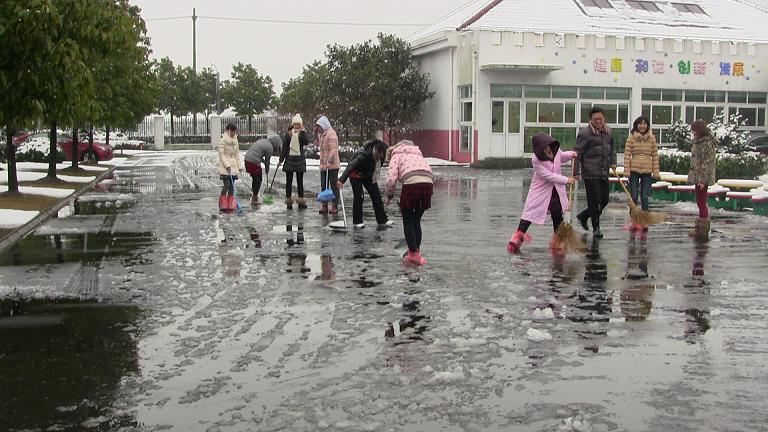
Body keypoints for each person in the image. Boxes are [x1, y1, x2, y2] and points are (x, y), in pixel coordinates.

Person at [507, 133, 578, 254]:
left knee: (557, 213)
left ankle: (558, 240)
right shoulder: (536, 160)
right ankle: (517, 237)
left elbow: (562, 157)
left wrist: (571, 154)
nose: (547, 149)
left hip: (555, 190)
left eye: (548, 146)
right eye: (544, 147)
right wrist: (566, 180)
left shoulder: (555, 150)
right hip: (541, 189)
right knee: (529, 213)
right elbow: (548, 176)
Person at [384, 140, 433, 266]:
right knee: (416, 220)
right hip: (428, 182)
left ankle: (413, 255)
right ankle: (417, 250)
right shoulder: (417, 153)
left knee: (408, 220)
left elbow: (391, 178)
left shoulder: (396, 155)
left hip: (412, 183)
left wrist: (389, 196)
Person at [575, 106, 617, 239]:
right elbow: (577, 153)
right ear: (590, 120)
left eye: (600, 119)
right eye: (595, 119)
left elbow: (612, 149)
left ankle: (584, 216)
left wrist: (613, 162)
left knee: (604, 200)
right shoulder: (584, 133)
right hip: (590, 172)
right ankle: (596, 227)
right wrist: (576, 171)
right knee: (595, 201)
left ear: (604, 118)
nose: (598, 121)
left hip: (604, 171)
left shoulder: (608, 131)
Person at [337, 139, 392, 228]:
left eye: (382, 155)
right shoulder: (363, 155)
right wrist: (341, 180)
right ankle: (357, 221)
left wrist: (373, 179)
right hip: (356, 174)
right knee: (359, 196)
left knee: (376, 195)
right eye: (380, 154)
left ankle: (382, 220)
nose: (381, 157)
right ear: (376, 150)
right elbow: (351, 166)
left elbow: (377, 169)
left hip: (368, 175)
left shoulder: (381, 157)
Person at [623, 115, 660, 230]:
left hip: (647, 171)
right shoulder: (632, 137)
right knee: (633, 196)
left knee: (644, 196)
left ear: (647, 125)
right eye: (640, 124)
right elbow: (627, 154)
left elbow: (655, 155)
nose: (642, 126)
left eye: (644, 124)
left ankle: (644, 219)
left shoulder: (652, 138)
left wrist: (656, 172)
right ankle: (633, 218)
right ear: (636, 125)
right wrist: (626, 170)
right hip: (634, 170)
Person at [687, 120, 717, 240]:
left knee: (701, 202)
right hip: (698, 176)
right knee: (700, 201)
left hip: (701, 177)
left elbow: (706, 163)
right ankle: (700, 228)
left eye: (694, 130)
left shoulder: (706, 144)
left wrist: (702, 180)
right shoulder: (700, 142)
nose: (693, 132)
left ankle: (702, 230)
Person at [280, 114, 309, 210]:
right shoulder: (288, 134)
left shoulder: (302, 134)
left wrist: (303, 131)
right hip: (289, 160)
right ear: (292, 124)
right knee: (289, 182)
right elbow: (284, 148)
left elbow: (306, 142)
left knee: (300, 182)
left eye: (298, 124)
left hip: (300, 161)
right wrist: (281, 160)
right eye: (295, 124)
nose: (296, 126)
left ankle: (301, 202)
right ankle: (289, 201)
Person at [244, 133, 281, 205]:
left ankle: (254, 195)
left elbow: (258, 154)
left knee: (255, 178)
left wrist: (263, 162)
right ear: (276, 144)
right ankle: (254, 197)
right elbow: (267, 161)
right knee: (258, 179)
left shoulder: (263, 141)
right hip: (253, 162)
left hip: (247, 159)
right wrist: (267, 170)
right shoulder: (270, 147)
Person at [315, 116, 340, 214]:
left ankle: (334, 206)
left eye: (319, 126)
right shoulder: (322, 135)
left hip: (332, 166)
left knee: (334, 186)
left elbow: (334, 149)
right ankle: (324, 205)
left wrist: (330, 160)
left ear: (323, 125)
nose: (318, 129)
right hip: (324, 166)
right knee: (324, 186)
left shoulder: (331, 134)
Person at [217, 123, 244, 212]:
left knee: (232, 186)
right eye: (232, 131)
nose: (233, 133)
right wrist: (227, 166)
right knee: (227, 184)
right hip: (225, 167)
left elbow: (237, 155)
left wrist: (240, 166)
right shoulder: (222, 140)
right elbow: (221, 155)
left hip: (234, 166)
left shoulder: (236, 141)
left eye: (234, 131)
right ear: (228, 130)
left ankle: (230, 202)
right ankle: (222, 202)